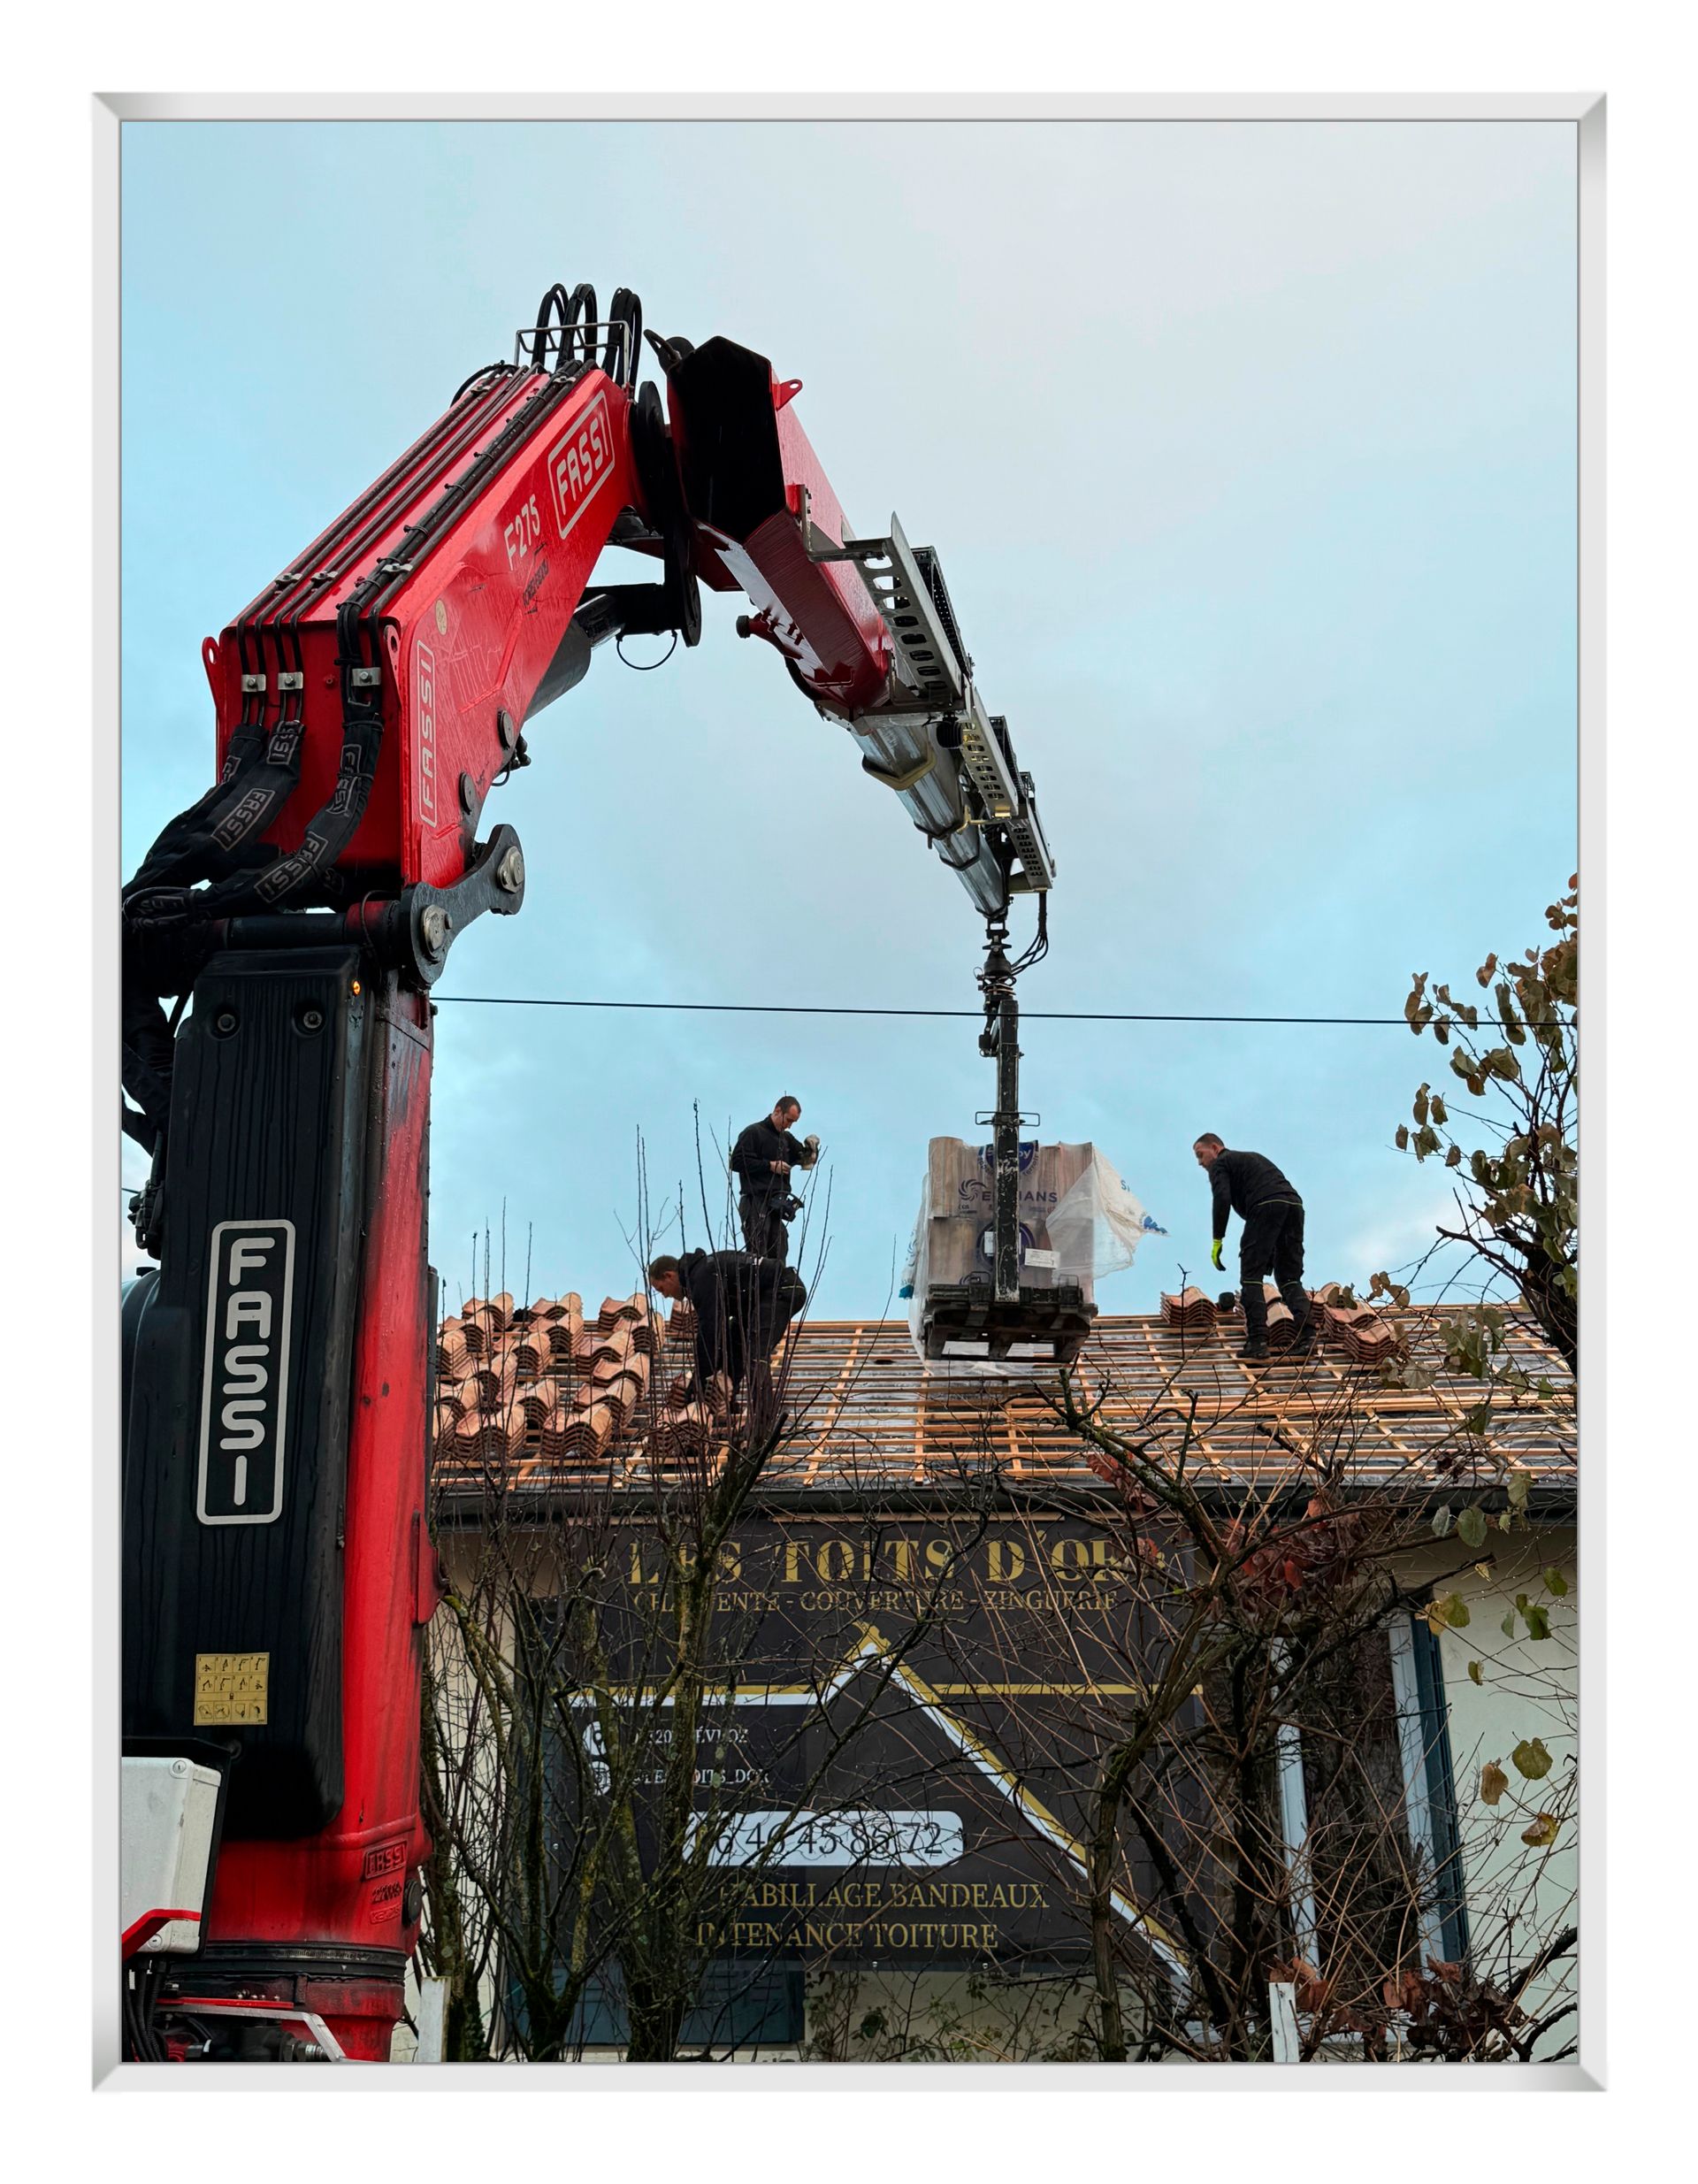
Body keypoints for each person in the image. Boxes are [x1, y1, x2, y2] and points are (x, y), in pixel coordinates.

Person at [647, 1248, 807, 1425]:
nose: (665, 1295)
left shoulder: (702, 1277)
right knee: (735, 1344)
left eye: (662, 1289)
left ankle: (763, 1422)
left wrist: (698, 1383)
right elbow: (719, 1333)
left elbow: (710, 1330)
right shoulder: (702, 1272)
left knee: (755, 1354)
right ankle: (729, 1403)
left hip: (781, 1290)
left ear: (669, 1275)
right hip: (760, 1300)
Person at [1193, 1134, 1315, 1362]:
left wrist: (1217, 1239)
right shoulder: (1250, 1159)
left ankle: (1257, 1342)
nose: (1200, 1163)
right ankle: (1308, 1338)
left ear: (1215, 1148)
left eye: (1201, 1155)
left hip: (1266, 1205)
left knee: (1251, 1277)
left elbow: (1222, 1198)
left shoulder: (1221, 1163)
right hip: (1293, 1206)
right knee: (1289, 1279)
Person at [730, 1096, 820, 1263]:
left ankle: (776, 1287)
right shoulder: (754, 1132)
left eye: (793, 1122)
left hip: (777, 1204)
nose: (789, 1125)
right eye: (788, 1120)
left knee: (779, 1251)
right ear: (778, 1111)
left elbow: (804, 1159)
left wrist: (811, 1150)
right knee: (758, 1253)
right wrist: (770, 1166)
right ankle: (756, 1285)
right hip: (755, 1200)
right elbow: (736, 1161)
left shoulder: (786, 1139)